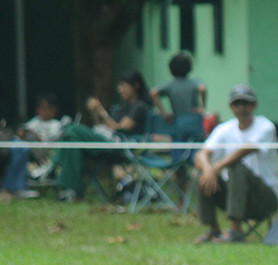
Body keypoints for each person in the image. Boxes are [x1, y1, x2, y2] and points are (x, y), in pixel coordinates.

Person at [194, 85, 278, 243]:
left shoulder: (265, 126)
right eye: (237, 104)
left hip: (264, 197)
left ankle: (236, 230)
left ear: (254, 105)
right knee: (200, 175)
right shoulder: (224, 128)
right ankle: (213, 229)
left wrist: (216, 167)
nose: (242, 108)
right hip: (234, 194)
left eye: (246, 103)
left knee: (237, 167)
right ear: (230, 106)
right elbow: (202, 154)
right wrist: (208, 170)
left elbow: (245, 151)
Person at [51, 70, 152, 202]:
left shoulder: (139, 107)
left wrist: (101, 111)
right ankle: (73, 191)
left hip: (120, 145)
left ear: (136, 86)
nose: (119, 89)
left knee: (73, 129)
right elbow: (105, 127)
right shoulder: (121, 107)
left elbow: (121, 128)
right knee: (73, 141)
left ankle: (52, 166)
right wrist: (96, 113)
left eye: (123, 85)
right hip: (107, 140)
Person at [151, 52, 207, 123]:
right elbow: (202, 89)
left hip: (177, 119)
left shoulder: (170, 85)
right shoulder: (194, 82)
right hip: (194, 119)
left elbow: (153, 93)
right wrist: (202, 106)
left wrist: (164, 112)